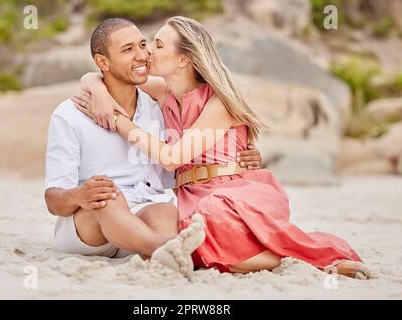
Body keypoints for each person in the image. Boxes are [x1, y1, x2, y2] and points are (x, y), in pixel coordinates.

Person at [75, 16, 372, 279]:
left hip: (233, 193)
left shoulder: (218, 102)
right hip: (192, 196)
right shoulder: (166, 93)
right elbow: (104, 74)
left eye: (159, 45)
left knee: (207, 216)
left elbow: (172, 158)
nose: (148, 51)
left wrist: (117, 120)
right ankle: (283, 258)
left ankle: (306, 259)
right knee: (187, 240)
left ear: (183, 60)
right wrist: (95, 85)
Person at [45, 18, 261, 278]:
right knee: (108, 196)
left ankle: (163, 251)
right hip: (89, 228)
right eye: (128, 49)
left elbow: (184, 156)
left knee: (165, 209)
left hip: (141, 215)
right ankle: (168, 249)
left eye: (144, 45)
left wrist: (240, 158)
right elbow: (53, 200)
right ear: (103, 62)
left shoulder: (158, 108)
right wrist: (80, 195)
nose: (143, 55)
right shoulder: (71, 114)